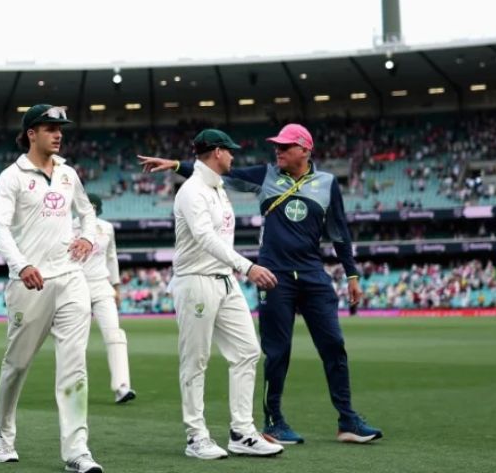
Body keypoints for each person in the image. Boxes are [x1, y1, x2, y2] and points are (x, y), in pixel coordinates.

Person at [139, 122, 383, 445]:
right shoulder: (267, 175)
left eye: (285, 146)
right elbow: (218, 173)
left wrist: (351, 274)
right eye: (276, 146)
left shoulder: (327, 183)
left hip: (313, 275)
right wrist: (175, 165)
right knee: (277, 351)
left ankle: (347, 420)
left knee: (334, 346)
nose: (277, 151)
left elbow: (339, 231)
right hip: (273, 275)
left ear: (305, 150)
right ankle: (274, 421)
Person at [0, 104, 103, 473]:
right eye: (50, 128)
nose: (58, 134)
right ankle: (3, 432)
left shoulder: (68, 174)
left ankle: (77, 451)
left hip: (70, 278)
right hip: (29, 283)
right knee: (17, 365)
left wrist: (87, 237)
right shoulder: (12, 176)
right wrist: (21, 265)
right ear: (31, 134)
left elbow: (87, 211)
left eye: (60, 128)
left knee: (74, 367)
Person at [171, 129, 283, 460]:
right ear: (217, 152)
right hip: (196, 281)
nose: (233, 156)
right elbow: (205, 237)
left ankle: (242, 433)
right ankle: (196, 437)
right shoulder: (192, 191)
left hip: (224, 280)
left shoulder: (217, 188)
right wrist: (248, 267)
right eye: (230, 151)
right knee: (195, 360)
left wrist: (237, 270)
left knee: (247, 351)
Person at [77, 193, 135, 404]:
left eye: (93, 208)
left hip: (101, 285)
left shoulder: (106, 228)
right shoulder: (67, 226)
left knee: (115, 335)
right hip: (76, 286)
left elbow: (111, 258)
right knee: (76, 341)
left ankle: (122, 387)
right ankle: (75, 388)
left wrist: (116, 287)